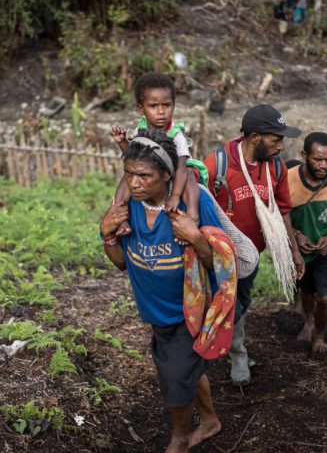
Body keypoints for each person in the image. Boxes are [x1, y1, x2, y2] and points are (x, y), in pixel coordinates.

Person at [99, 131, 224, 452]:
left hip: (191, 311)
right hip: (157, 312)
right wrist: (106, 234)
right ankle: (210, 421)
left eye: (144, 176)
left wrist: (195, 237)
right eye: (129, 175)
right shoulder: (129, 208)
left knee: (175, 380)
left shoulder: (190, 208)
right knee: (186, 371)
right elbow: (120, 264)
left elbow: (219, 265)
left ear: (167, 176)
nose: (135, 183)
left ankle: (179, 438)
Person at [202, 104, 305, 385]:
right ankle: (219, 352)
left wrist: (293, 251)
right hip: (216, 255)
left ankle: (233, 349)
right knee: (217, 301)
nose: (282, 147)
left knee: (241, 303)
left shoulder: (275, 167)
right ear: (256, 138)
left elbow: (283, 209)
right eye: (276, 139)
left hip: (250, 257)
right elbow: (198, 206)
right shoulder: (217, 165)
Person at [110, 73, 199, 239]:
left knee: (189, 174)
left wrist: (175, 197)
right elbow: (134, 158)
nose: (161, 112)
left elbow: (180, 167)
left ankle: (193, 216)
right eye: (153, 106)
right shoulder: (140, 131)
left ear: (174, 105)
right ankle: (120, 214)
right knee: (127, 177)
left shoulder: (176, 135)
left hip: (176, 172)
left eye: (167, 105)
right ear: (140, 108)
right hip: (152, 173)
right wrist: (121, 142)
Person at [288, 132, 327, 353]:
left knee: (326, 297)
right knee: (306, 288)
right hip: (301, 248)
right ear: (304, 155)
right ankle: (308, 320)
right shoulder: (288, 180)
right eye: (317, 159)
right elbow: (278, 214)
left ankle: (319, 335)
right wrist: (296, 235)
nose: (324, 165)